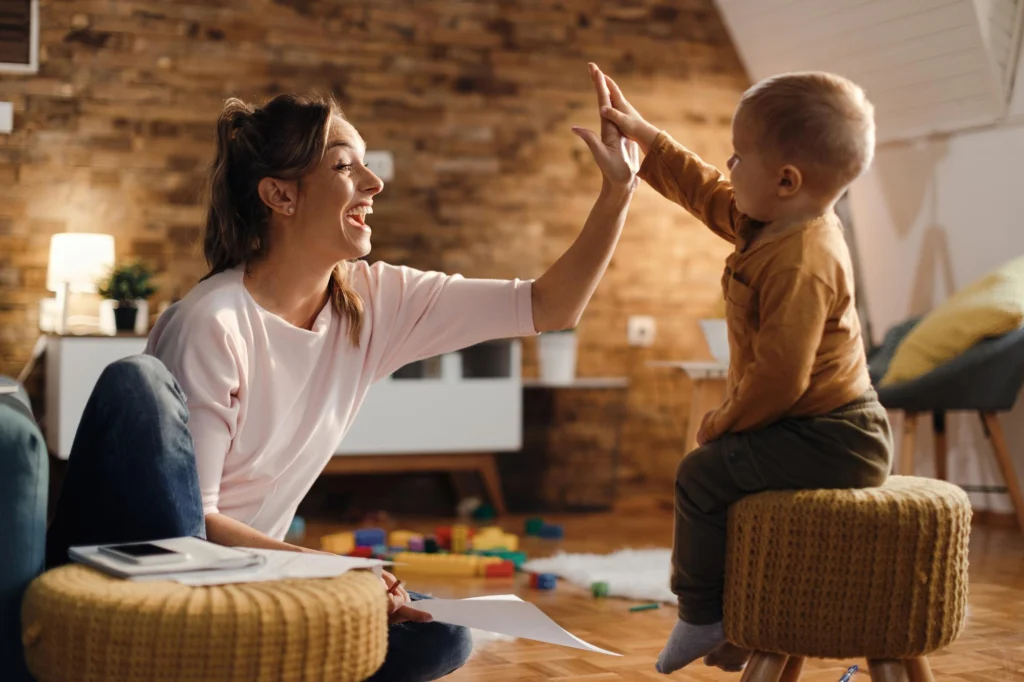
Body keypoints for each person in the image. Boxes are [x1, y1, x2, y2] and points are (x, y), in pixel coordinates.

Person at [45, 64, 637, 681]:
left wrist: (617, 193)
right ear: (281, 195)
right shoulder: (214, 321)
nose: (374, 183)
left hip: (252, 582)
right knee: (138, 387)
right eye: (345, 166)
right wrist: (332, 572)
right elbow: (194, 526)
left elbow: (550, 305)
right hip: (167, 574)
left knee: (441, 636)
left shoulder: (375, 303)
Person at [593, 65, 893, 674]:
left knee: (702, 476)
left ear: (785, 179)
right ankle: (739, 619)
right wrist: (647, 139)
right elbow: (704, 190)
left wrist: (724, 421)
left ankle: (701, 614)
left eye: (737, 158)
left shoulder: (804, 258)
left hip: (838, 436)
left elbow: (781, 376)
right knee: (727, 487)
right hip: (810, 426)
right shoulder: (770, 221)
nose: (727, 168)